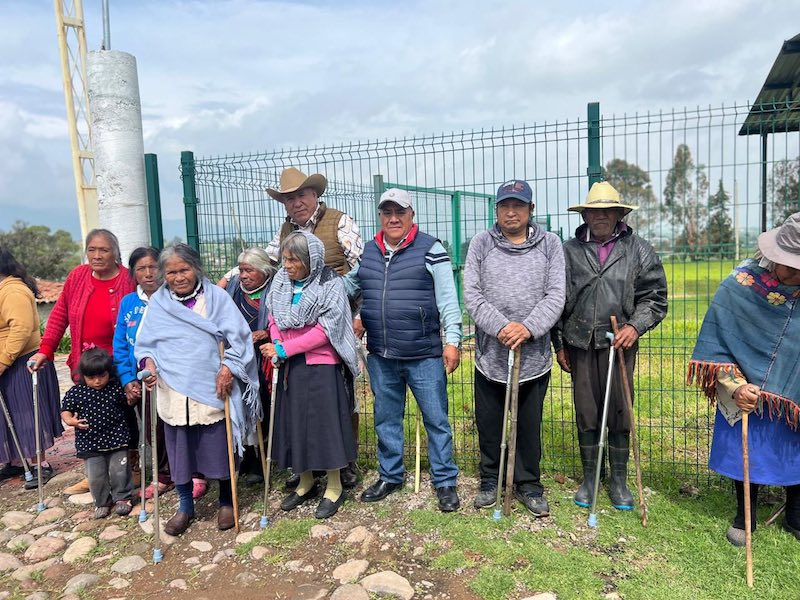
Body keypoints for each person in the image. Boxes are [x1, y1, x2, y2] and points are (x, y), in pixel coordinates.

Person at [220, 167, 364, 489]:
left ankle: (344, 463)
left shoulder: (340, 222)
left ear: (315, 195)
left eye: (301, 195)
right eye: (289, 198)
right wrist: (231, 276)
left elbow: (363, 268)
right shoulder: (286, 231)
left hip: (337, 322)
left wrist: (358, 315)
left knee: (341, 398)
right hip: (296, 329)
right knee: (299, 399)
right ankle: (307, 465)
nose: (296, 203)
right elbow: (268, 261)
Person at [553, 181, 667, 510]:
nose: (600, 216)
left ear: (619, 213)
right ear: (585, 215)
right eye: (593, 211)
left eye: (607, 210)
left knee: (619, 409)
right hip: (580, 342)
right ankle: (590, 478)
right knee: (587, 411)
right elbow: (557, 300)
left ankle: (618, 480)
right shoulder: (568, 250)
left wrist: (634, 326)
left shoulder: (639, 249)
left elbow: (655, 298)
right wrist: (559, 343)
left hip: (620, 343)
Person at [688, 212, 800, 546]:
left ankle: (796, 515)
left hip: (794, 393)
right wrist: (736, 386)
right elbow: (717, 344)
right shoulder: (740, 286)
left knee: (795, 447)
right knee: (748, 445)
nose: (795, 274)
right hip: (745, 393)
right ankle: (745, 514)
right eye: (789, 265)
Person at [135, 244, 261, 535]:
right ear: (164, 275)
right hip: (174, 386)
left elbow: (239, 338)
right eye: (172, 272)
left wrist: (228, 367)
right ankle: (184, 506)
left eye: (184, 269)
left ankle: (227, 501)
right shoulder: (158, 304)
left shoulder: (216, 298)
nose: (179, 277)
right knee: (180, 450)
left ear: (196, 268)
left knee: (219, 446)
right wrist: (149, 366)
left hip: (213, 383)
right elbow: (146, 345)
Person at [354, 188, 463, 512]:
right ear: (380, 217)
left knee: (436, 420)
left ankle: (444, 482)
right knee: (386, 419)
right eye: (386, 213)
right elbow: (357, 288)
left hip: (424, 355)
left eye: (399, 212)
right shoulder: (368, 252)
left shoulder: (431, 249)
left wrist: (452, 341)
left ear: (411, 215)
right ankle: (390, 475)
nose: (393, 218)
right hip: (381, 355)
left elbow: (447, 300)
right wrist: (359, 315)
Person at [464, 179, 566, 516]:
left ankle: (528, 484)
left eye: (518, 206)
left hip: (533, 355)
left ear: (530, 210)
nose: (511, 212)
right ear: (496, 210)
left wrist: (528, 328)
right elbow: (472, 294)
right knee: (490, 422)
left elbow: (556, 294)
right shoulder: (481, 244)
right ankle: (491, 480)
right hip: (491, 355)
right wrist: (502, 327)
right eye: (505, 206)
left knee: (528, 423)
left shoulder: (550, 244)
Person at [29, 228, 135, 496]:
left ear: (115, 253)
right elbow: (59, 315)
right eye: (92, 250)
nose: (97, 256)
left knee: (121, 417)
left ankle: (126, 470)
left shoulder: (127, 279)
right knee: (87, 418)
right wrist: (46, 350)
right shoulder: (78, 276)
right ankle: (94, 473)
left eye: (104, 250)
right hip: (84, 365)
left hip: (116, 364)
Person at [263, 231, 359, 519]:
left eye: (294, 260)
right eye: (285, 259)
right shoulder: (281, 281)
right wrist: (278, 343)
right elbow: (273, 316)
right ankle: (305, 481)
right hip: (290, 362)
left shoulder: (331, 283)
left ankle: (334, 485)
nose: (288, 265)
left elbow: (326, 330)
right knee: (294, 423)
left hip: (320, 363)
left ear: (310, 260)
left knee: (324, 425)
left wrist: (286, 348)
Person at [113, 246, 176, 499]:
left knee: (177, 424)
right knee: (153, 428)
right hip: (143, 379)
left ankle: (192, 473)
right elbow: (120, 344)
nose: (149, 273)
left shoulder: (173, 297)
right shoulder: (129, 302)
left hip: (172, 375)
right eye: (141, 268)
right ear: (134, 273)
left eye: (153, 266)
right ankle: (163, 475)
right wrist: (128, 379)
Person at [0, 248, 62, 486]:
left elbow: (21, 329)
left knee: (27, 413)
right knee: (9, 415)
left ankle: (40, 464)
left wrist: (4, 361)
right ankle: (15, 462)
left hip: (23, 361)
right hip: (9, 361)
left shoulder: (13, 290)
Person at [61, 348, 133, 518]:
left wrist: (133, 396)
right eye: (91, 378)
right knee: (95, 476)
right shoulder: (76, 392)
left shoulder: (115, 387)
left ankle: (123, 498)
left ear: (109, 372)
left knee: (120, 471)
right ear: (83, 376)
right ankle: (102, 501)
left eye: (102, 376)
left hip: (117, 438)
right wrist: (70, 420)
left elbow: (128, 403)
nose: (97, 381)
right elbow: (66, 409)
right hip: (90, 441)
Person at [225, 247, 277, 486]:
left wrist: (266, 332)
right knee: (241, 404)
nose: (244, 275)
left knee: (264, 405)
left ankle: (265, 457)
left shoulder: (276, 289)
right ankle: (246, 458)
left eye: (249, 270)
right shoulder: (233, 288)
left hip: (266, 358)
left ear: (264, 271)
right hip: (238, 357)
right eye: (242, 270)